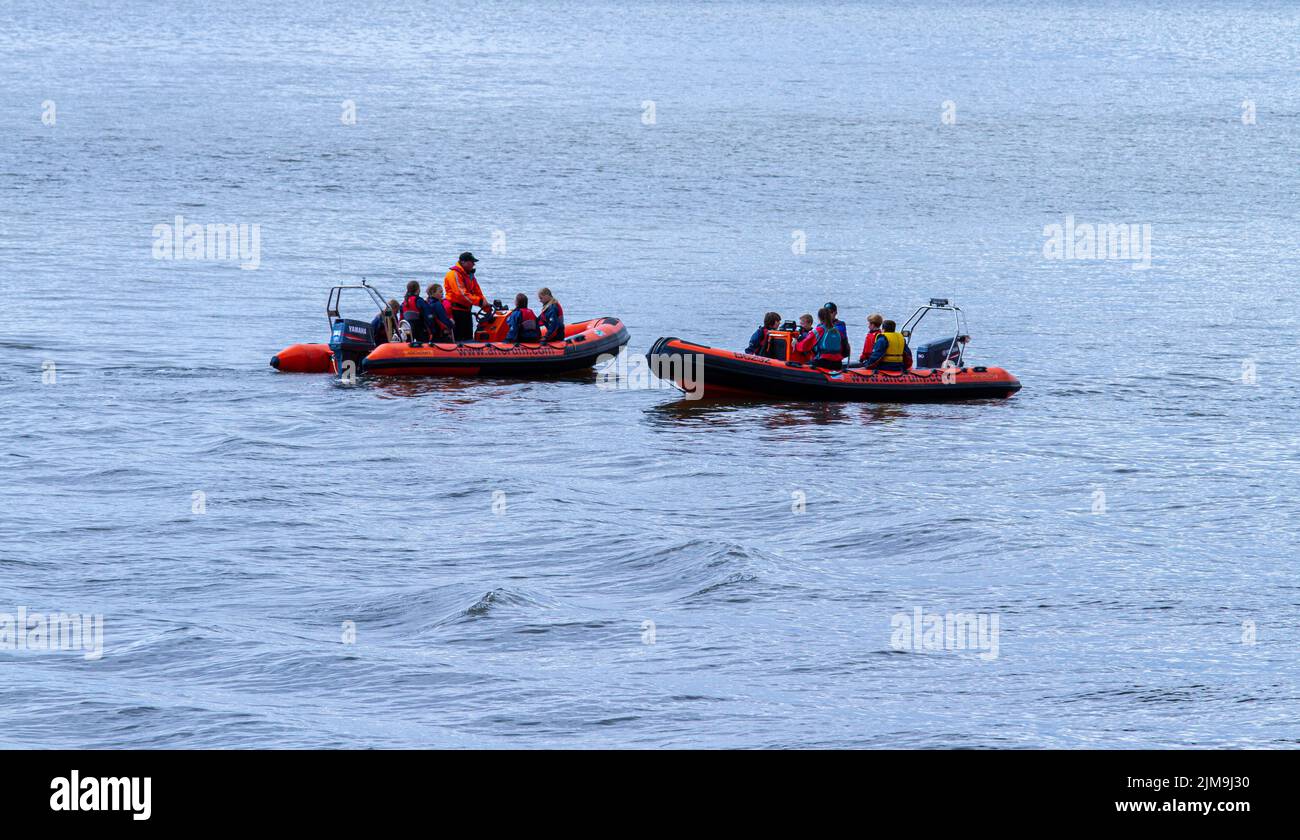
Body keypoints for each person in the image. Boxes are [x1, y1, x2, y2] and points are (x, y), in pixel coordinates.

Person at [443, 251, 489, 340]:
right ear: (463, 262)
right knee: (458, 338)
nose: (473, 264)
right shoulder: (454, 274)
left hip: (466, 311)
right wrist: (479, 302)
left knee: (468, 337)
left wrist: (486, 307)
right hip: (456, 312)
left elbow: (477, 292)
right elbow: (461, 294)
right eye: (471, 262)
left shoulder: (470, 276)